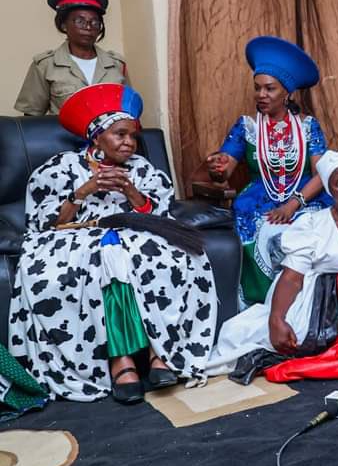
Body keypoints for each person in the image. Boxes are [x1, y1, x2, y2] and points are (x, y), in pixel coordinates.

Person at [8, 84, 219, 404]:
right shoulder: (60, 168)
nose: (129, 143)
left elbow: (160, 213)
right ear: (96, 136)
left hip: (136, 235)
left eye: (133, 136)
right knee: (108, 256)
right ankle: (121, 362)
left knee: (171, 255)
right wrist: (83, 191)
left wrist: (132, 192)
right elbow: (43, 222)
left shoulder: (142, 169)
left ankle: (161, 353)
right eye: (120, 135)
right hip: (75, 238)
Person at [205, 150, 338, 382]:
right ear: (329, 189)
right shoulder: (314, 224)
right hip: (319, 305)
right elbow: (291, 278)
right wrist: (276, 319)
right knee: (247, 335)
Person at [205, 36, 332, 307]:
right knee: (259, 231)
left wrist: (293, 204)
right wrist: (217, 166)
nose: (261, 95)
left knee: (311, 236)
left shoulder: (308, 126)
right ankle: (262, 309)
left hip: (305, 198)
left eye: (269, 89)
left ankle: (306, 308)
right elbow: (224, 169)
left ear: (286, 92)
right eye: (257, 88)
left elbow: (322, 173)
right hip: (259, 200)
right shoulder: (247, 126)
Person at [15, 0, 128, 116]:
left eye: (95, 22)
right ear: (63, 25)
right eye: (80, 21)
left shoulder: (117, 65)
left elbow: (128, 112)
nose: (88, 27)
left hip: (109, 136)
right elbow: (31, 118)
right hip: (64, 136)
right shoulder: (45, 65)